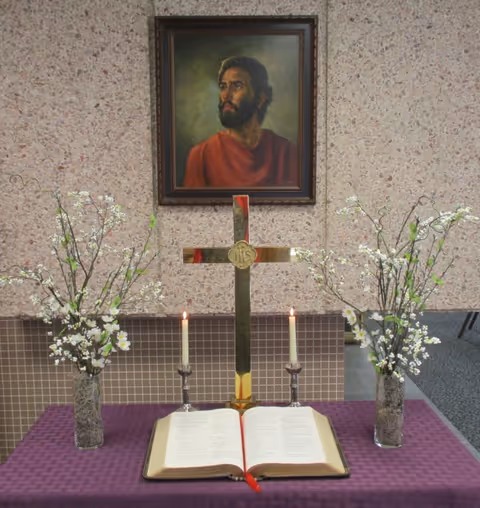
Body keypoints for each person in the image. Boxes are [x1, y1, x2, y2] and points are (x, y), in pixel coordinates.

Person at [182, 56, 298, 188]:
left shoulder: (286, 152)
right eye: (223, 86)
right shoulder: (201, 156)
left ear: (260, 98)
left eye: (237, 86)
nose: (225, 95)